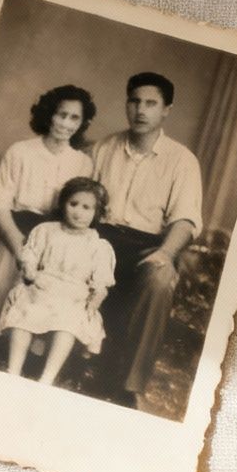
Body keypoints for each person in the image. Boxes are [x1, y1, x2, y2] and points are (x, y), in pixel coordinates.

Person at [88, 72, 205, 407]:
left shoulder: (182, 160)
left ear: (166, 109)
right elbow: (83, 199)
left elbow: (185, 219)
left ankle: (130, 385)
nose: (141, 110)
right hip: (102, 238)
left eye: (151, 103)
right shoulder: (105, 147)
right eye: (135, 101)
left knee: (159, 279)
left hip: (147, 244)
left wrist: (166, 253)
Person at [0, 85, 95, 338]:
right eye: (60, 114)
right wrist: (19, 247)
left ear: (82, 123)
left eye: (74, 118)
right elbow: (0, 204)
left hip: (53, 238)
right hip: (15, 229)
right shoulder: (20, 151)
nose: (65, 123)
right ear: (48, 114)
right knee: (11, 272)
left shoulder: (83, 163)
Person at [0, 176, 118, 384]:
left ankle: (47, 377)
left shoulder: (98, 246)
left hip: (73, 297)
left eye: (86, 208)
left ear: (96, 213)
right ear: (63, 203)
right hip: (42, 288)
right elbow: (31, 254)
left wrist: (96, 297)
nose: (78, 212)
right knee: (25, 314)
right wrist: (30, 269)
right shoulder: (46, 231)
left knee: (68, 325)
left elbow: (101, 280)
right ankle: (13, 369)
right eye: (73, 204)